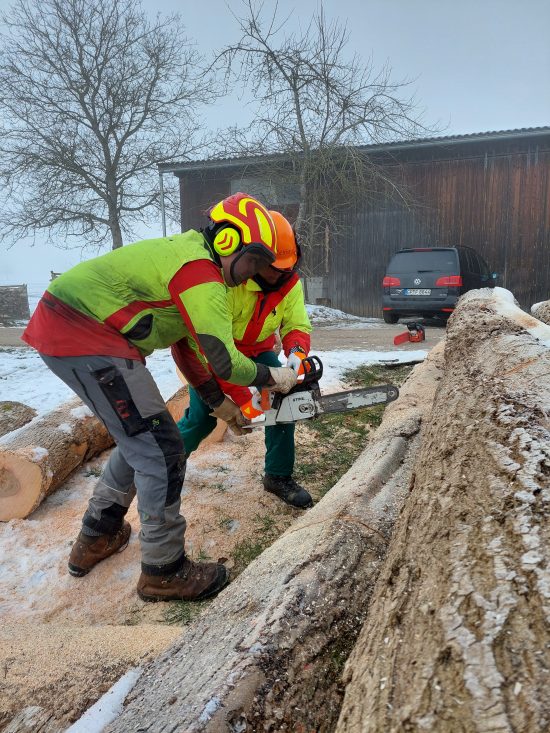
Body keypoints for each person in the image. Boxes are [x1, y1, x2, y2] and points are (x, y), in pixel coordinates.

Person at [21, 192, 298, 602]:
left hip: (78, 333)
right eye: (254, 261)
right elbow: (223, 360)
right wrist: (271, 375)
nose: (254, 274)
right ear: (228, 242)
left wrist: (218, 402)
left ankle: (98, 535)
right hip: (84, 335)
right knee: (162, 449)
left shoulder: (193, 263)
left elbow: (188, 348)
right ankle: (163, 571)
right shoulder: (200, 274)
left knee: (142, 438)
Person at [176, 211, 313, 508]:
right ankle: (165, 467)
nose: (281, 275)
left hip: (259, 350)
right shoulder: (229, 280)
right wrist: (241, 398)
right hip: (217, 354)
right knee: (201, 418)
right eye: (275, 269)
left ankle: (278, 475)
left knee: (283, 403)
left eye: (287, 268)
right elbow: (214, 350)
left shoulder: (288, 282)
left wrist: (296, 356)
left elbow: (297, 325)